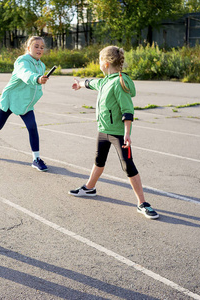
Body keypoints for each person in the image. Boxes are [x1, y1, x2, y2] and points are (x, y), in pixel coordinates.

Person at [69, 46, 159, 219]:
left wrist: (127, 133)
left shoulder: (119, 82)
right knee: (99, 161)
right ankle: (89, 188)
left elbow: (127, 110)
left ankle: (142, 203)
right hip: (103, 130)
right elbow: (91, 83)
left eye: (99, 61)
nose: (98, 64)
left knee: (128, 165)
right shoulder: (106, 81)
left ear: (106, 62)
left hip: (118, 133)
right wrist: (79, 84)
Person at [0, 36, 50, 171]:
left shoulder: (42, 66)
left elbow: (35, 86)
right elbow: (25, 73)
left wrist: (39, 81)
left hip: (25, 104)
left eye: (42, 47)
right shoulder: (22, 61)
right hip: (10, 100)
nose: (39, 49)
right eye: (36, 46)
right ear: (28, 48)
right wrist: (36, 78)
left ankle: (36, 159)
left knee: (32, 127)